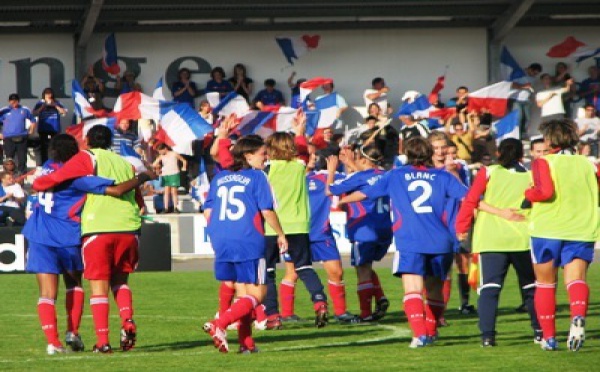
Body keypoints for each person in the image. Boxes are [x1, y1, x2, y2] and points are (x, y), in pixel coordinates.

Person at [24, 133, 149, 355]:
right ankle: (72, 331)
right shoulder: (78, 176)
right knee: (75, 285)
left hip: (39, 234)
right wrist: (142, 177)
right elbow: (116, 189)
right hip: (68, 235)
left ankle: (53, 343)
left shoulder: (45, 168)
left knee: (46, 292)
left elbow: (37, 183)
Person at [338, 137, 467, 348]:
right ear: (429, 153)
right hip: (441, 240)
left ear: (407, 154)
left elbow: (366, 192)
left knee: (413, 289)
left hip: (411, 239)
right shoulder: (443, 176)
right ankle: (432, 331)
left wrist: (342, 198)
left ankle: (419, 334)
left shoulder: (396, 175)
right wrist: (499, 211)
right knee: (434, 289)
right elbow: (469, 198)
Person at [202, 135, 288, 354]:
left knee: (244, 294)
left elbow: (208, 211)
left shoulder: (219, 177)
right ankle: (220, 324)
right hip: (248, 238)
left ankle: (246, 344)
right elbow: (267, 210)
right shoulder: (257, 177)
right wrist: (280, 234)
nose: (266, 159)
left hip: (221, 238)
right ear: (248, 155)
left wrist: (220, 233)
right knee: (258, 294)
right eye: (263, 154)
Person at [456, 138, 541, 347]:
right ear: (523, 155)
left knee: (490, 289)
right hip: (523, 238)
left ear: (499, 153)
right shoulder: (532, 176)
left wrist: (462, 228)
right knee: (530, 288)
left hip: (491, 238)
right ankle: (540, 331)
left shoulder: (488, 171)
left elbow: (471, 199)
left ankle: (488, 336)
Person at [524, 118, 599, 351]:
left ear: (550, 139)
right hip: (581, 228)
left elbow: (544, 192)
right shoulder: (590, 164)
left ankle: (548, 338)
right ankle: (577, 316)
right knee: (576, 279)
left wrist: (529, 193)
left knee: (545, 284)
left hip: (548, 228)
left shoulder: (544, 162)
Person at [327, 145, 392, 322]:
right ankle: (380, 297)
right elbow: (367, 178)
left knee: (362, 270)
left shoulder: (359, 177)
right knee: (368, 267)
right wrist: (351, 163)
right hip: (385, 228)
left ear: (363, 160)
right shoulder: (386, 175)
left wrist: (331, 171)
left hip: (364, 228)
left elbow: (330, 190)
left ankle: (366, 314)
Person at [305, 146, 359, 323]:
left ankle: (340, 312)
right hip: (302, 232)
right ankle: (285, 314)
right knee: (294, 274)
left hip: (320, 233)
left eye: (315, 154)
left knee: (335, 272)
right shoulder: (296, 178)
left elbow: (359, 180)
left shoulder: (321, 176)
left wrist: (347, 164)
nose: (314, 157)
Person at [0, 94, 37, 175]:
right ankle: (8, 174)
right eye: (12, 100)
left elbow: (33, 120)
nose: (14, 102)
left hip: (22, 136)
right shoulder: (4, 111)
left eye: (15, 100)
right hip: (8, 138)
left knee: (22, 157)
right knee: (9, 158)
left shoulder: (24, 109)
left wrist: (31, 130)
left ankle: (22, 174)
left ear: (18, 101)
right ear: (9, 101)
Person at [33, 88, 67, 164]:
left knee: (55, 147)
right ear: (44, 95)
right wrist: (43, 106)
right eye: (46, 94)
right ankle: (44, 163)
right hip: (43, 128)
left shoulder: (57, 102)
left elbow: (64, 112)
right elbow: (34, 113)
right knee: (44, 148)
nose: (48, 95)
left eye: (50, 93)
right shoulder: (40, 103)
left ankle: (55, 163)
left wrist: (55, 106)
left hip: (55, 128)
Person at [510, 63, 542, 139]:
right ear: (530, 69)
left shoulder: (533, 78)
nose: (534, 75)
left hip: (527, 100)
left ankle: (524, 134)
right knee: (518, 118)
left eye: (536, 74)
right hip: (516, 99)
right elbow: (511, 84)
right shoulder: (519, 73)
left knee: (528, 119)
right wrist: (523, 86)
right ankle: (517, 136)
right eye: (534, 73)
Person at [152, 143, 187, 213]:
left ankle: (175, 207)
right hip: (165, 174)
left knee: (174, 191)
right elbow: (154, 164)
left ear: (165, 149)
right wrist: (157, 166)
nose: (160, 152)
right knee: (166, 191)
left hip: (174, 173)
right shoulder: (161, 156)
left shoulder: (174, 154)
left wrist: (184, 167)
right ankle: (166, 208)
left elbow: (184, 160)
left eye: (160, 150)